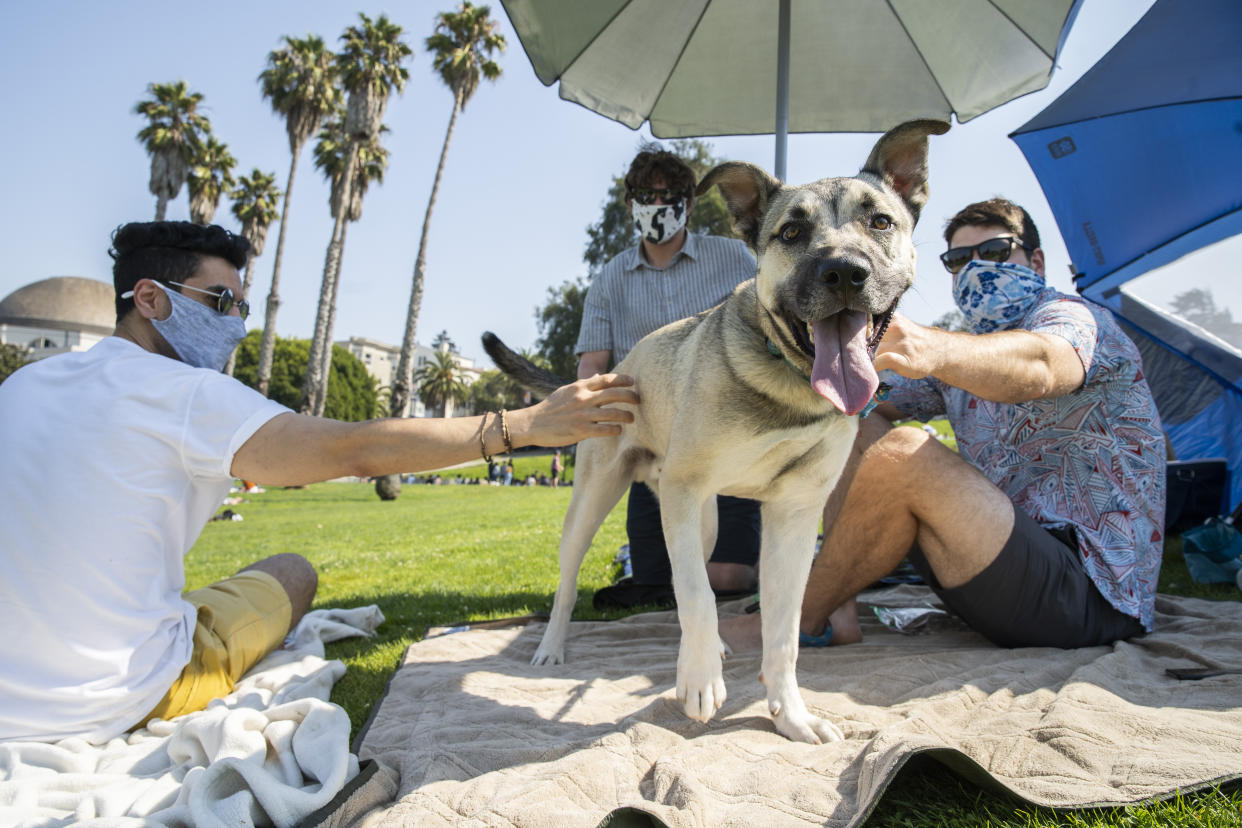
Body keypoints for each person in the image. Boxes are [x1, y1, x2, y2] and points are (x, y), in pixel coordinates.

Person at [0, 221, 639, 745]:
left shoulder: (25, 385)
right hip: (115, 698)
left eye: (243, 306)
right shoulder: (186, 393)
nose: (237, 322)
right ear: (148, 299)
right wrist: (527, 423)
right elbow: (354, 450)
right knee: (292, 571)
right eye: (221, 303)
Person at [721, 198, 1166, 652]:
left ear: (1035, 261)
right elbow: (862, 402)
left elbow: (1044, 366)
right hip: (994, 567)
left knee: (906, 456)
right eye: (958, 260)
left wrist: (928, 346)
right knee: (852, 418)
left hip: (1090, 598)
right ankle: (836, 613)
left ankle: (787, 623)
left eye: (993, 252)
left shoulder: (1078, 320)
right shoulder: (971, 351)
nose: (975, 271)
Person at [576, 147, 762, 597]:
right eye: (647, 195)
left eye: (671, 195)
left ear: (691, 203)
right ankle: (643, 559)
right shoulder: (610, 279)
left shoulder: (737, 258)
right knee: (656, 582)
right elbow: (592, 367)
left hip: (727, 445)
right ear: (630, 203)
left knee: (726, 581)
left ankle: (770, 558)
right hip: (654, 449)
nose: (658, 205)